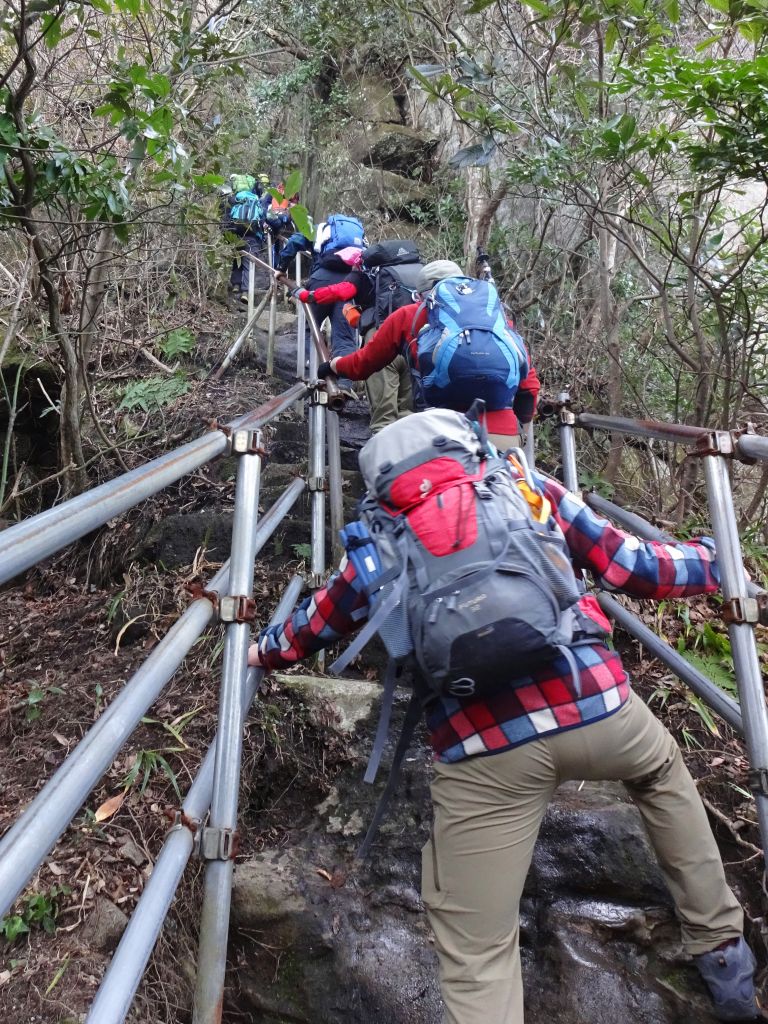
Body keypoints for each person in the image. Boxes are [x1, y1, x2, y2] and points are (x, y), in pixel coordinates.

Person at [248, 409, 762, 1024]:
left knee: (477, 949)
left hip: (484, 749)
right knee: (660, 774)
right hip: (595, 705)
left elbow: (318, 623)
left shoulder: (381, 535)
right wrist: (718, 560)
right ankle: (724, 959)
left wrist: (261, 647)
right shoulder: (521, 485)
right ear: (467, 447)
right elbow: (633, 566)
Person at [318, 259, 540, 445]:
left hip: (440, 434)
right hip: (504, 437)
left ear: (421, 295)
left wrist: (334, 365)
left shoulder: (409, 316)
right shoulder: (498, 321)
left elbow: (363, 363)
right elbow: (528, 386)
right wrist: (518, 428)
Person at [291, 239, 422, 432]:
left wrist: (307, 295)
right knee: (409, 415)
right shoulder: (418, 275)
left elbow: (341, 291)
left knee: (383, 418)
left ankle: (383, 456)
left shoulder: (364, 272)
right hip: (415, 343)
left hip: (382, 343)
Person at [275, 214, 367, 398]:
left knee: (310, 327)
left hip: (321, 280)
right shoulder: (358, 237)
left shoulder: (319, 229)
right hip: (349, 284)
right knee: (345, 335)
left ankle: (314, 371)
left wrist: (281, 267)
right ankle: (344, 383)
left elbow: (294, 242)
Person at [221, 174, 272, 303]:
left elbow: (226, 218)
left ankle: (236, 285)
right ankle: (246, 291)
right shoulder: (255, 200)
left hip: (235, 233)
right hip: (252, 234)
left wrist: (226, 233)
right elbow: (262, 218)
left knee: (237, 258)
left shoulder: (233, 199)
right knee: (249, 262)